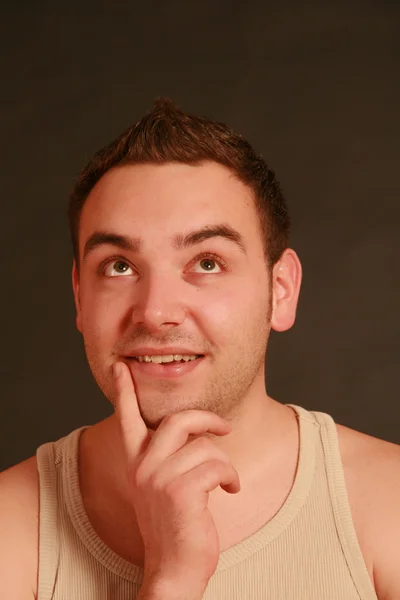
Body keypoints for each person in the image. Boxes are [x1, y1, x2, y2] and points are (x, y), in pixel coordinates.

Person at [1, 99, 399, 600]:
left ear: (281, 291)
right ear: (80, 295)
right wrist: (171, 580)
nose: (155, 311)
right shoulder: (9, 526)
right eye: (119, 266)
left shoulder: (391, 505)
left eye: (207, 262)